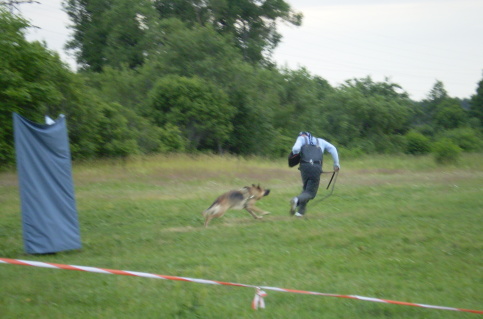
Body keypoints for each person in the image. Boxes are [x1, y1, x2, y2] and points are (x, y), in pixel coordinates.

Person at [289, 131, 340, 217]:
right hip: (316, 167)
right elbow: (332, 148)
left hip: (304, 167)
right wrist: (336, 164)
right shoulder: (320, 141)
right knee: (311, 193)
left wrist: (296, 155)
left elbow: (295, 149)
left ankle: (300, 212)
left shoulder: (301, 139)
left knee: (306, 189)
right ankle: (297, 200)